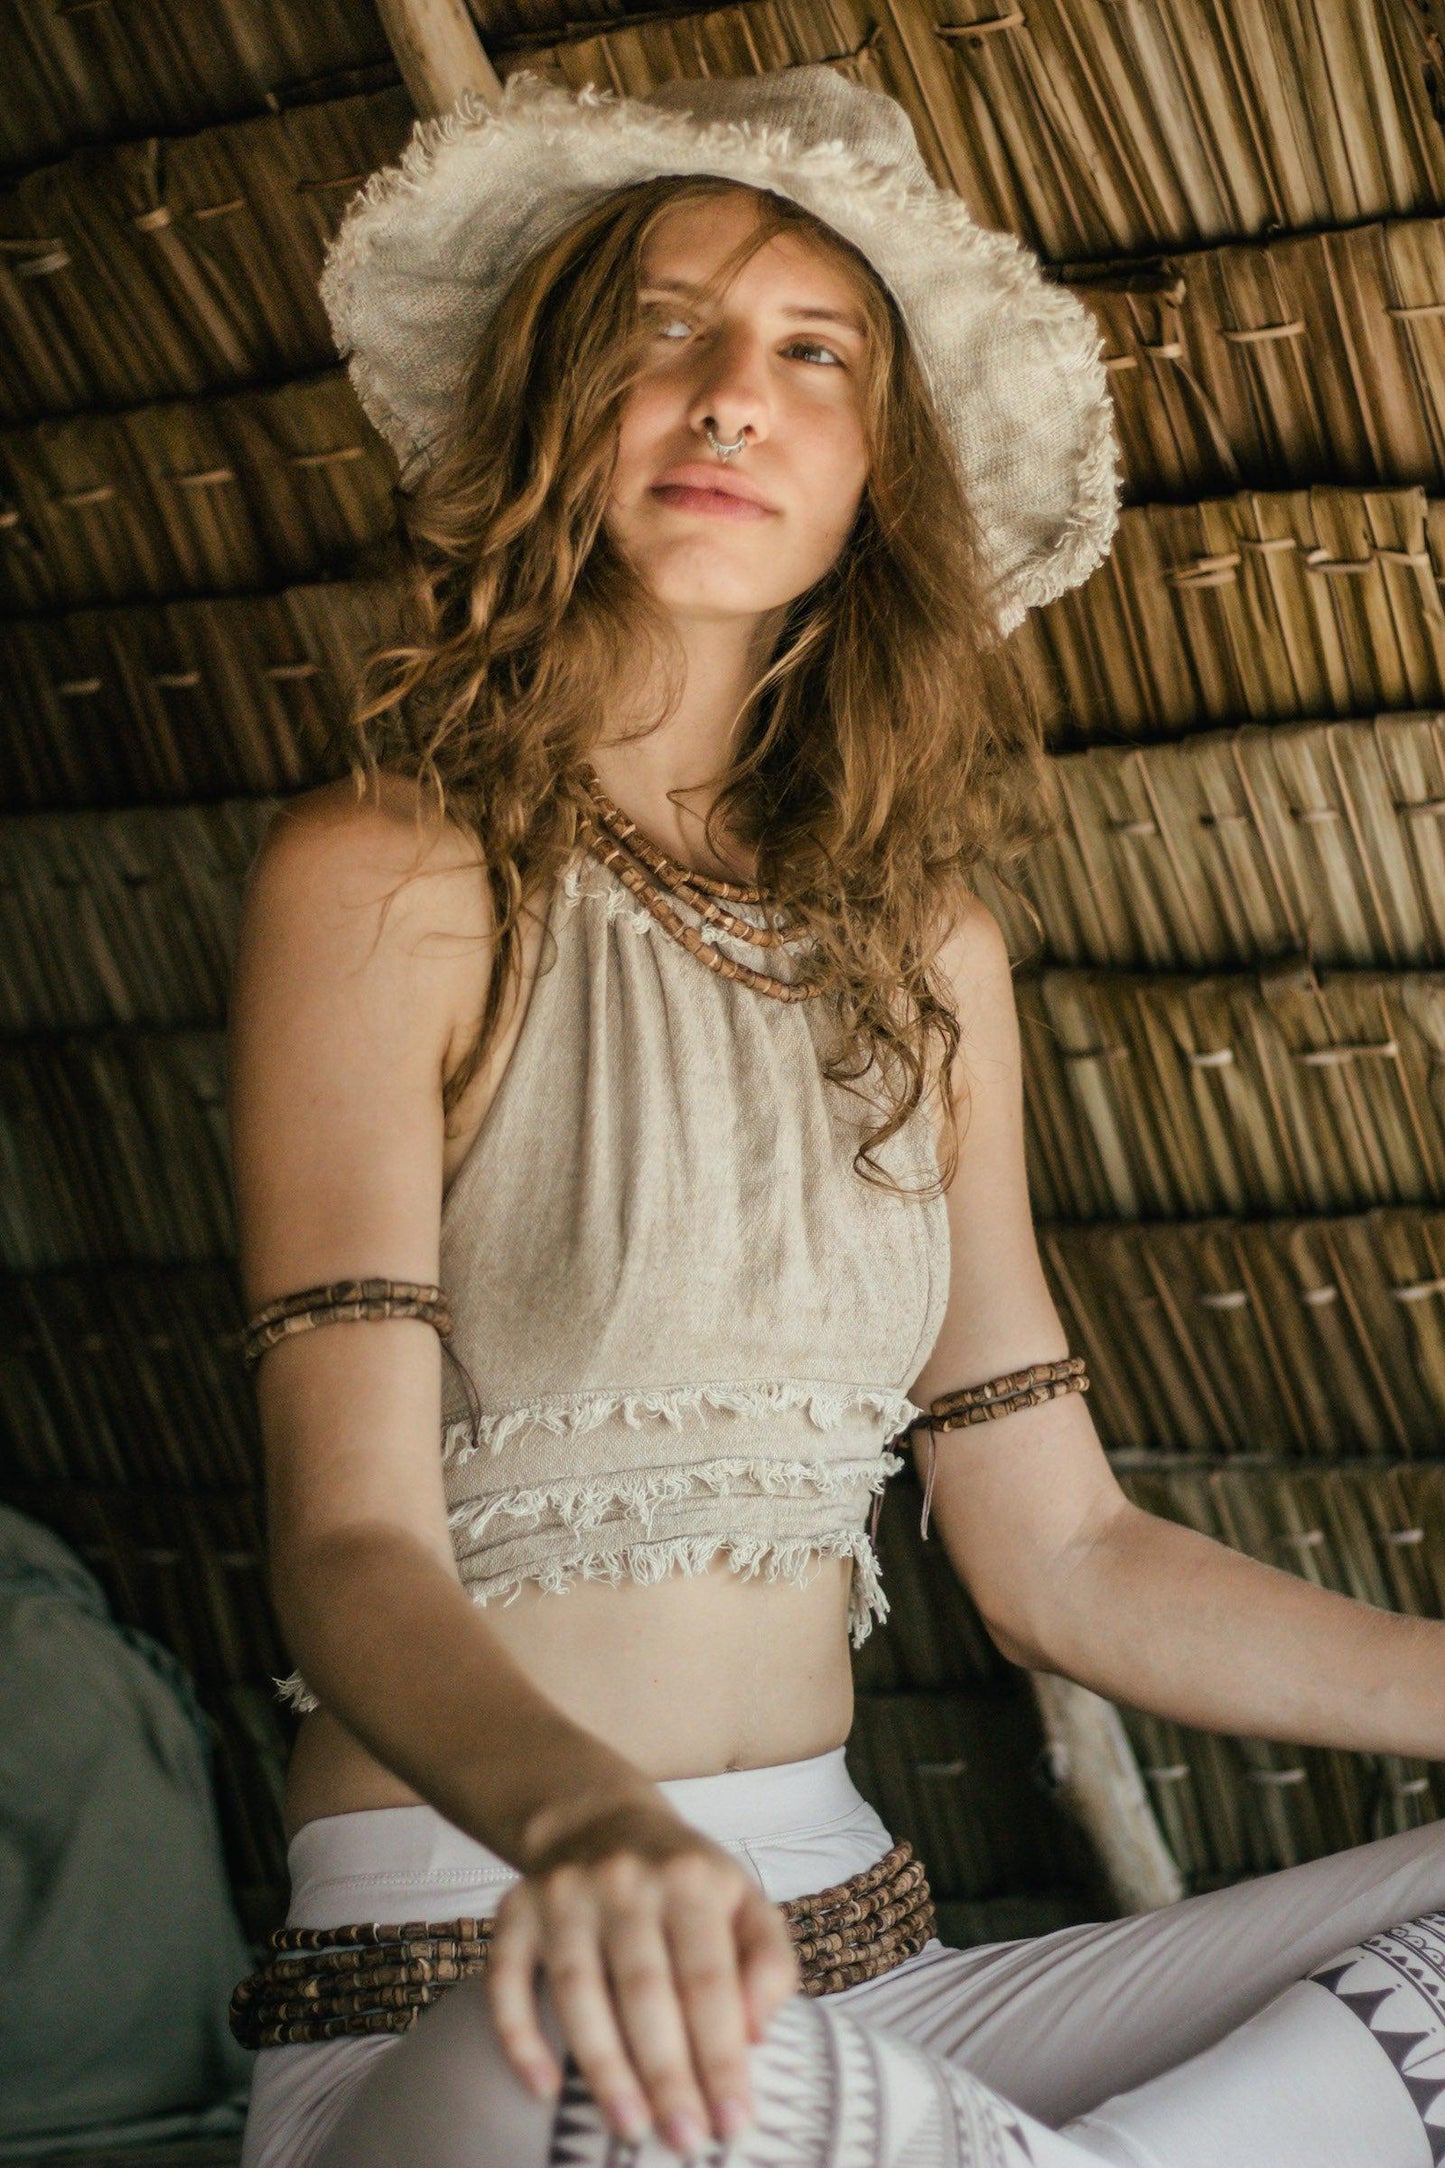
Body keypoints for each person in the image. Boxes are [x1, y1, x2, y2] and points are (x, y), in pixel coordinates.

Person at [228, 67, 1445, 2168]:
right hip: (483, 1997)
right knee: (609, 2088)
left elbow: (1065, 1551)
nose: (728, 397)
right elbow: (344, 1547)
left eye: (814, 355)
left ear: (875, 472)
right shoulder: (387, 878)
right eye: (662, 328)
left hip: (877, 2001)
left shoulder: (924, 949)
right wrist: (596, 1836)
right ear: (554, 401)